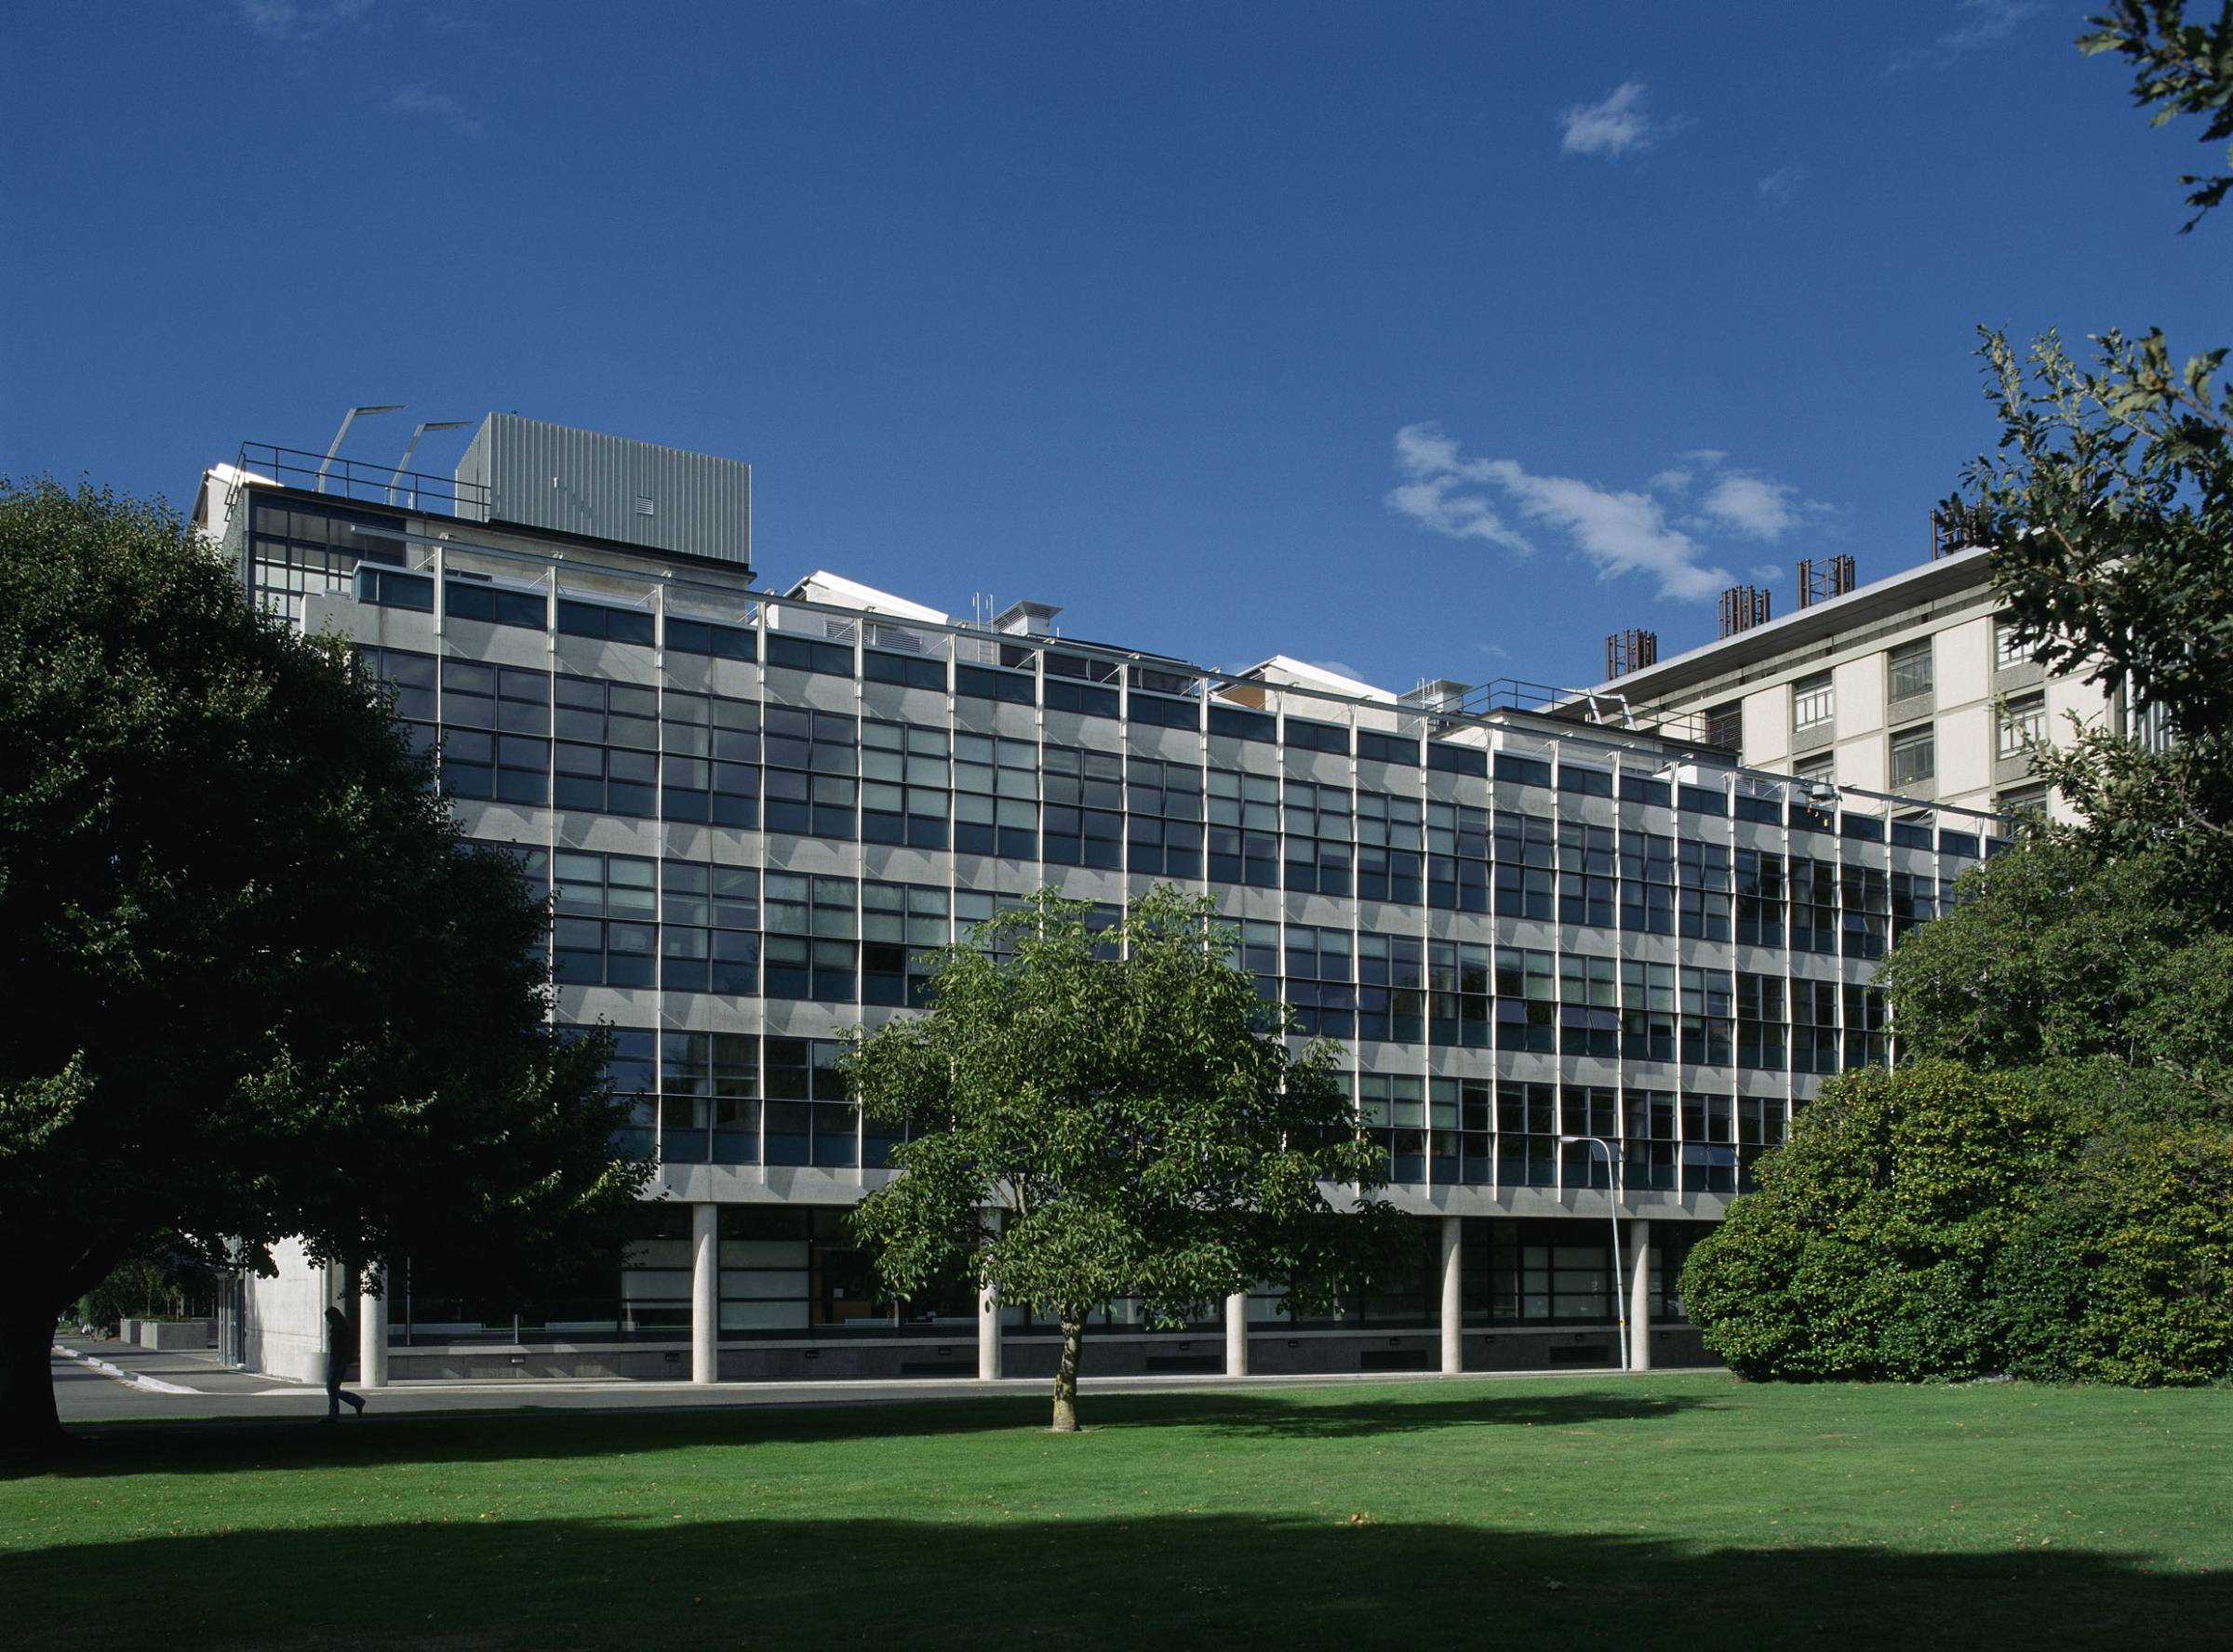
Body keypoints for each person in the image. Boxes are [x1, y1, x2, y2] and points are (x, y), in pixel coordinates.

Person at [323, 1302, 367, 1420]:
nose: (327, 1320)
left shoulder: (339, 1331)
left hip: (338, 1361)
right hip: (339, 1361)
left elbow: (340, 1348)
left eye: (328, 1318)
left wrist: (336, 1360)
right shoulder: (341, 1330)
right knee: (333, 1389)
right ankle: (356, 1401)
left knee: (332, 1389)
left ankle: (334, 1414)